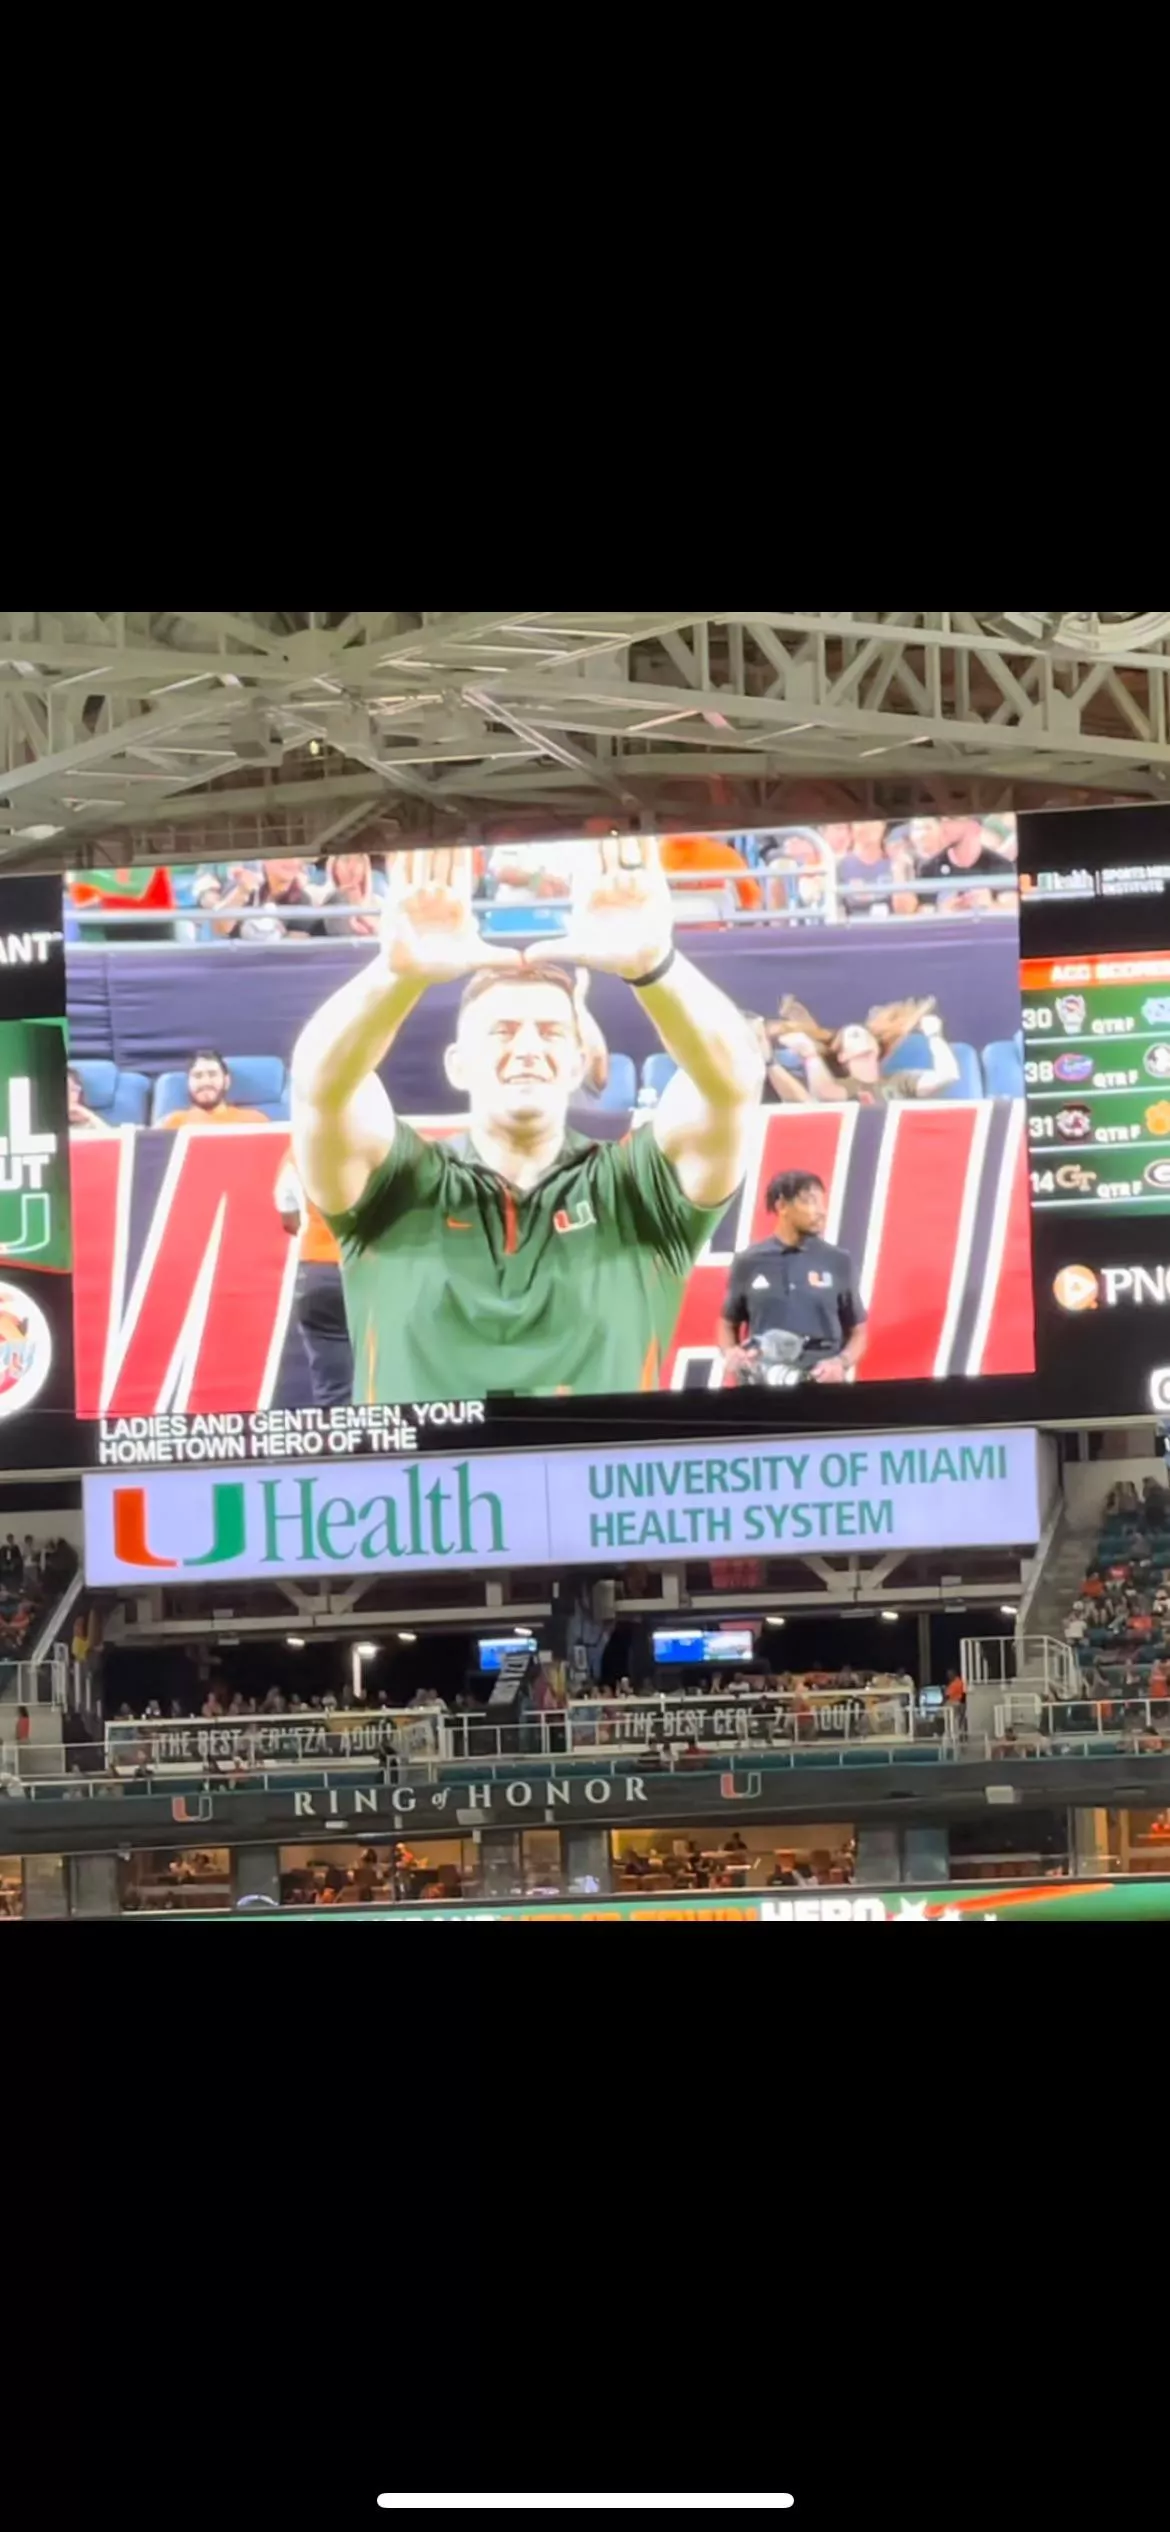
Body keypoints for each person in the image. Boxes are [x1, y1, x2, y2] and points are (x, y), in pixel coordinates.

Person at [291, 841, 763, 1402]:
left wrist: (655, 966)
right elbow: (320, 1088)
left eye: (551, 1032)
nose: (528, 1048)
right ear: (456, 1065)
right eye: (502, 1030)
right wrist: (396, 976)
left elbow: (733, 1086)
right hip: (424, 1489)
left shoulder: (637, 1193)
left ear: (578, 1063)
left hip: (597, 1485)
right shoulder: (396, 1187)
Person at [718, 1169, 868, 1386]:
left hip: (823, 1388)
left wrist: (840, 1363)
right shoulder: (747, 1262)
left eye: (821, 1202)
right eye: (810, 1201)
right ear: (782, 1206)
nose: (821, 1211)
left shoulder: (838, 1261)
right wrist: (732, 1352)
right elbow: (726, 1323)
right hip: (764, 1386)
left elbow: (859, 1333)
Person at [766, 995, 960, 1104]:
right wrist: (811, 1056)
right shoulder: (845, 1086)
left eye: (864, 1033)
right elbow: (825, 1094)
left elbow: (947, 1076)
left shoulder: (900, 1081)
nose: (862, 1035)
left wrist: (935, 1036)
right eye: (853, 1035)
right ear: (842, 1055)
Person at [274, 1153, 354, 1408]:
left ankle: (342, 1443)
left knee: (334, 1388)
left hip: (319, 1270)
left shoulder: (296, 1152)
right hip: (371, 1268)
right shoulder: (386, 1142)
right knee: (392, 1377)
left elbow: (290, 1220)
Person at [913, 817, 1015, 910]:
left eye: (952, 819)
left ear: (974, 828)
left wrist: (988, 905)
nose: (944, 826)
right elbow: (922, 912)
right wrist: (944, 910)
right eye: (942, 820)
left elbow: (1011, 910)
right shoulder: (929, 867)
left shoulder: (1000, 865)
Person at [161, 1051, 269, 1131]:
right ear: (188, 1083)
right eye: (198, 1076)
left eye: (212, 1074)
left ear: (226, 1081)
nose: (205, 1082)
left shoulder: (255, 1120)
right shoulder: (173, 1123)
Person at [322, 853, 388, 939]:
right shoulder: (320, 899)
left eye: (359, 861)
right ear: (334, 866)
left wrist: (361, 913)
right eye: (345, 860)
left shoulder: (379, 904)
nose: (352, 868)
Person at [66, 1067, 116, 1136]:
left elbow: (110, 1138)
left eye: (74, 1089)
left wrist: (87, 1114)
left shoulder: (83, 1120)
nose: (75, 1094)